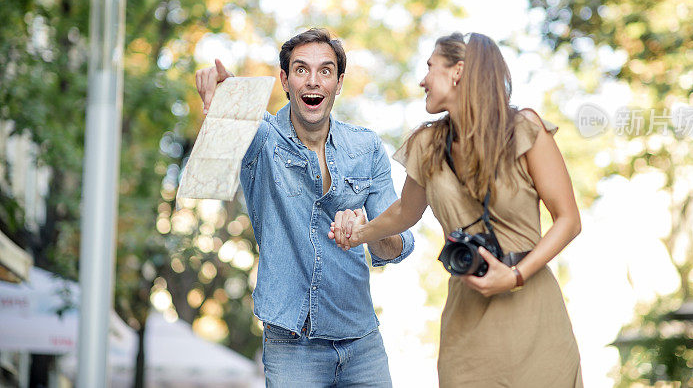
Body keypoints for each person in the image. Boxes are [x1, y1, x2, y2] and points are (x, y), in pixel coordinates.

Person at [330, 32, 583, 387]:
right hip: (467, 323)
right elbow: (405, 211)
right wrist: (358, 234)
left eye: (430, 67)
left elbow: (569, 220)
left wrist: (514, 276)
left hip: (533, 313)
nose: (422, 79)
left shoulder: (525, 129)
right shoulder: (427, 143)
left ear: (458, 71)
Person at [195, 27, 414, 387]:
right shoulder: (264, 139)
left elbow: (397, 244)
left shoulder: (367, 148)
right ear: (284, 79)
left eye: (325, 71)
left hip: (361, 341)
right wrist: (226, 89)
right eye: (301, 70)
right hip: (291, 345)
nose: (313, 81)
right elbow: (239, 112)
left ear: (339, 83)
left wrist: (367, 231)